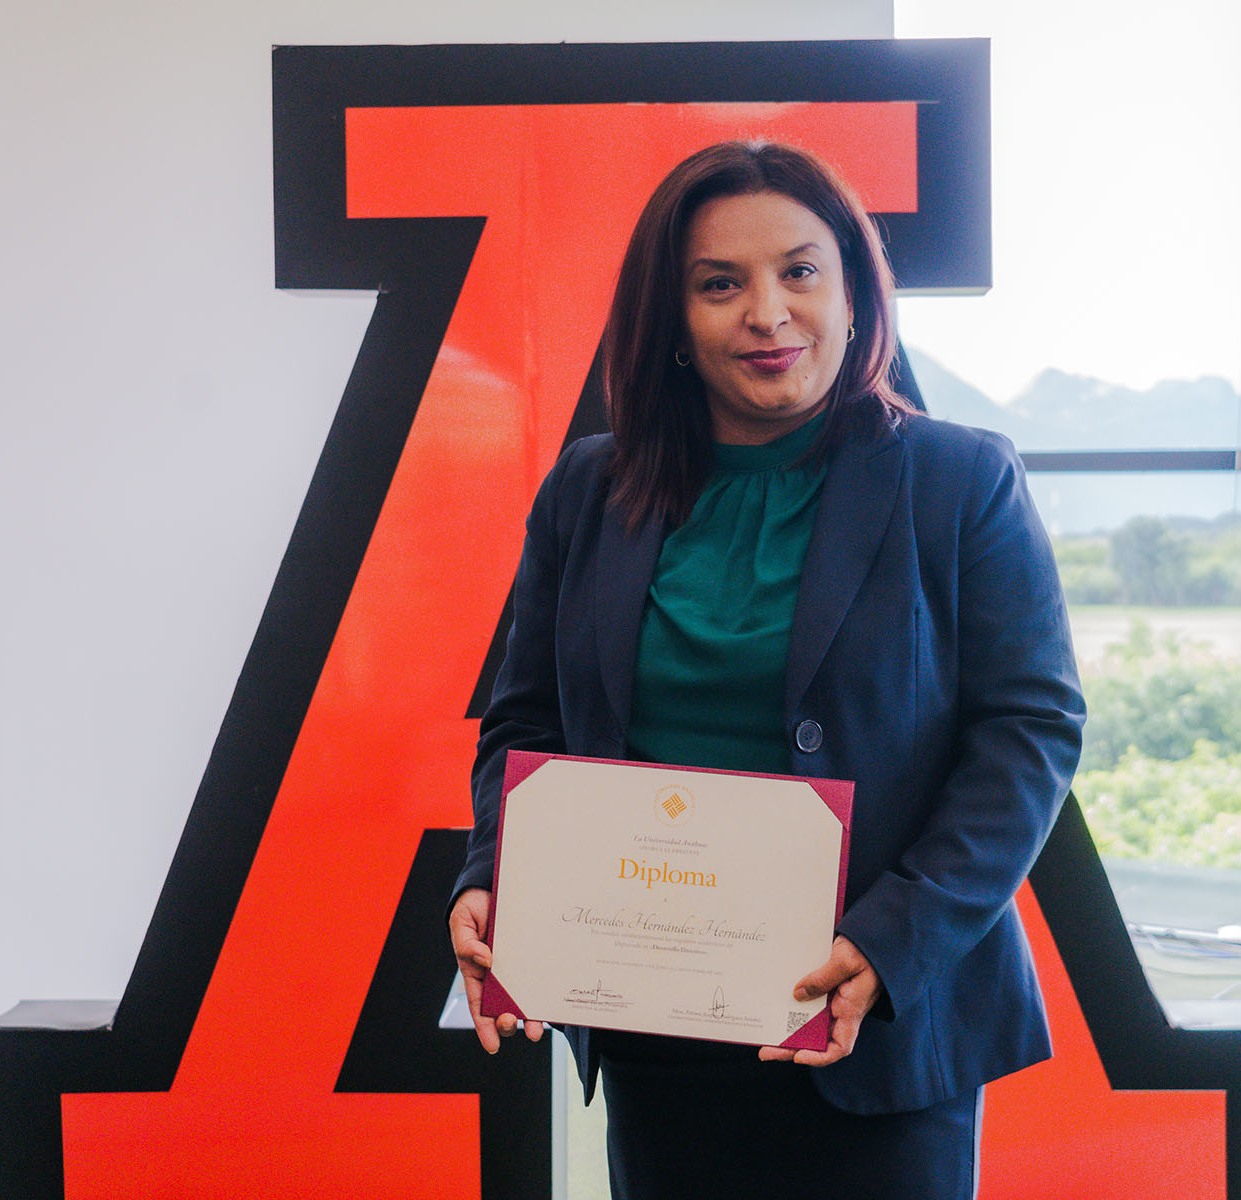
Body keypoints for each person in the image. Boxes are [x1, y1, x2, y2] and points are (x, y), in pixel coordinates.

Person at [448, 140, 1085, 1199]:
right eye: (719, 284)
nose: (768, 311)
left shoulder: (960, 480)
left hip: (876, 1023)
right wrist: (495, 879)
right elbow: (527, 723)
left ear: (853, 294)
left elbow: (1029, 733)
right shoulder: (587, 488)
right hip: (655, 1021)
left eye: (800, 271)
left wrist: (892, 941)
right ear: (672, 325)